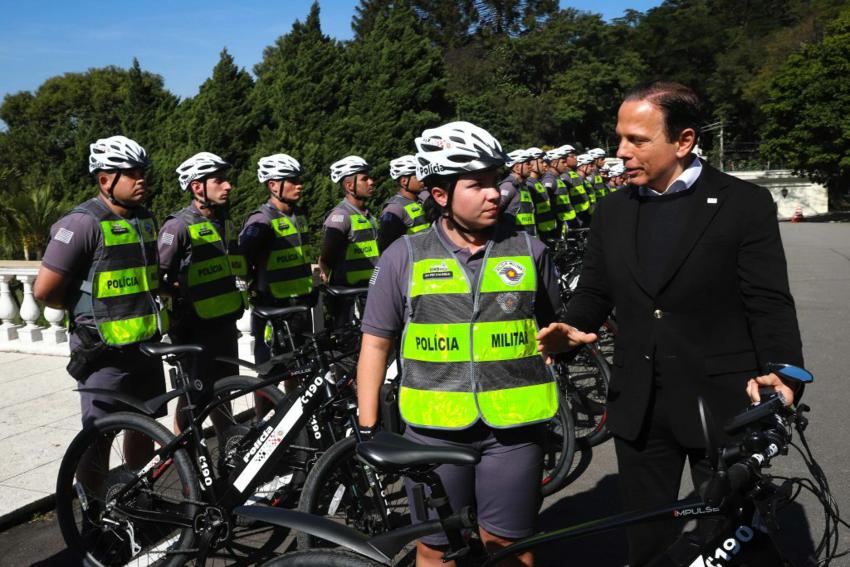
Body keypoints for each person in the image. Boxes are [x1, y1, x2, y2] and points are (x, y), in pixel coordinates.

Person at [537, 81, 804, 566]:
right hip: (639, 404)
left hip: (722, 400)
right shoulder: (613, 209)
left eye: (637, 140)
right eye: (620, 138)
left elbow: (768, 301)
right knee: (646, 538)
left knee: (728, 536)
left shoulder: (743, 204)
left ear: (683, 141)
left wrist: (783, 373)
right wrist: (572, 326)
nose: (621, 152)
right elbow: (595, 290)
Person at [357, 121, 562, 567]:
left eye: (496, 182)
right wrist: (370, 426)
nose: (495, 194)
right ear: (441, 195)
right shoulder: (404, 256)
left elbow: (554, 332)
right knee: (436, 548)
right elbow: (376, 343)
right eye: (478, 185)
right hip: (431, 431)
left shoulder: (531, 250)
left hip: (514, 431)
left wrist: (565, 342)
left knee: (509, 544)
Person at [34, 135, 168, 483]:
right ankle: (93, 519)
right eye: (131, 173)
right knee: (98, 436)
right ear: (105, 179)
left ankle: (138, 499)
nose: (141, 179)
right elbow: (44, 290)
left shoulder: (146, 219)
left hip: (144, 344)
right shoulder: (81, 223)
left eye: (142, 172)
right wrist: (88, 311)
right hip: (102, 351)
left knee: (144, 427)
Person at [159, 151, 246, 436]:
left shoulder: (224, 222)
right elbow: (156, 278)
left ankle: (229, 450)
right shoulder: (178, 226)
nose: (228, 185)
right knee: (194, 396)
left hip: (223, 322)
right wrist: (182, 290)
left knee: (225, 391)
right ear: (197, 187)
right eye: (219, 180)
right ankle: (179, 453)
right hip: (193, 328)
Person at [239, 153, 315, 368]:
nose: (299, 186)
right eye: (292, 181)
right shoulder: (261, 220)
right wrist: (255, 287)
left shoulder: (299, 215)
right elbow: (241, 261)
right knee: (272, 373)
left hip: (300, 305)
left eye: (299, 180)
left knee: (301, 370)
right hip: (274, 308)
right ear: (273, 185)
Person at [319, 155, 378, 325]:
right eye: (365, 179)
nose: (371, 182)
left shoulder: (368, 215)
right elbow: (326, 256)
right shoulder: (341, 216)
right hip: (348, 299)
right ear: (349, 185)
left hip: (368, 292)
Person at [377, 155, 430, 251]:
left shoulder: (420, 200)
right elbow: (385, 247)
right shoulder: (395, 208)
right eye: (418, 176)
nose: (422, 179)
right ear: (404, 181)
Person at [498, 149, 536, 235]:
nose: (531, 167)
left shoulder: (524, 186)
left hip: (526, 238)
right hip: (513, 241)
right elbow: (495, 213)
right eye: (527, 164)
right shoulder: (509, 186)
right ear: (517, 167)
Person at [542, 146, 578, 236]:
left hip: (563, 222)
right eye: (563, 162)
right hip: (554, 226)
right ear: (554, 163)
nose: (566, 165)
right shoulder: (549, 179)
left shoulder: (558, 178)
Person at [524, 147, 558, 241]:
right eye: (541, 162)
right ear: (532, 163)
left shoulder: (537, 183)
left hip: (547, 233)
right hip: (537, 237)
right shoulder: (528, 185)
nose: (545, 165)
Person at [559, 145, 592, 226]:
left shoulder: (575, 175)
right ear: (564, 159)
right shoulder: (564, 177)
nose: (576, 157)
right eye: (572, 156)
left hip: (583, 215)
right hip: (573, 219)